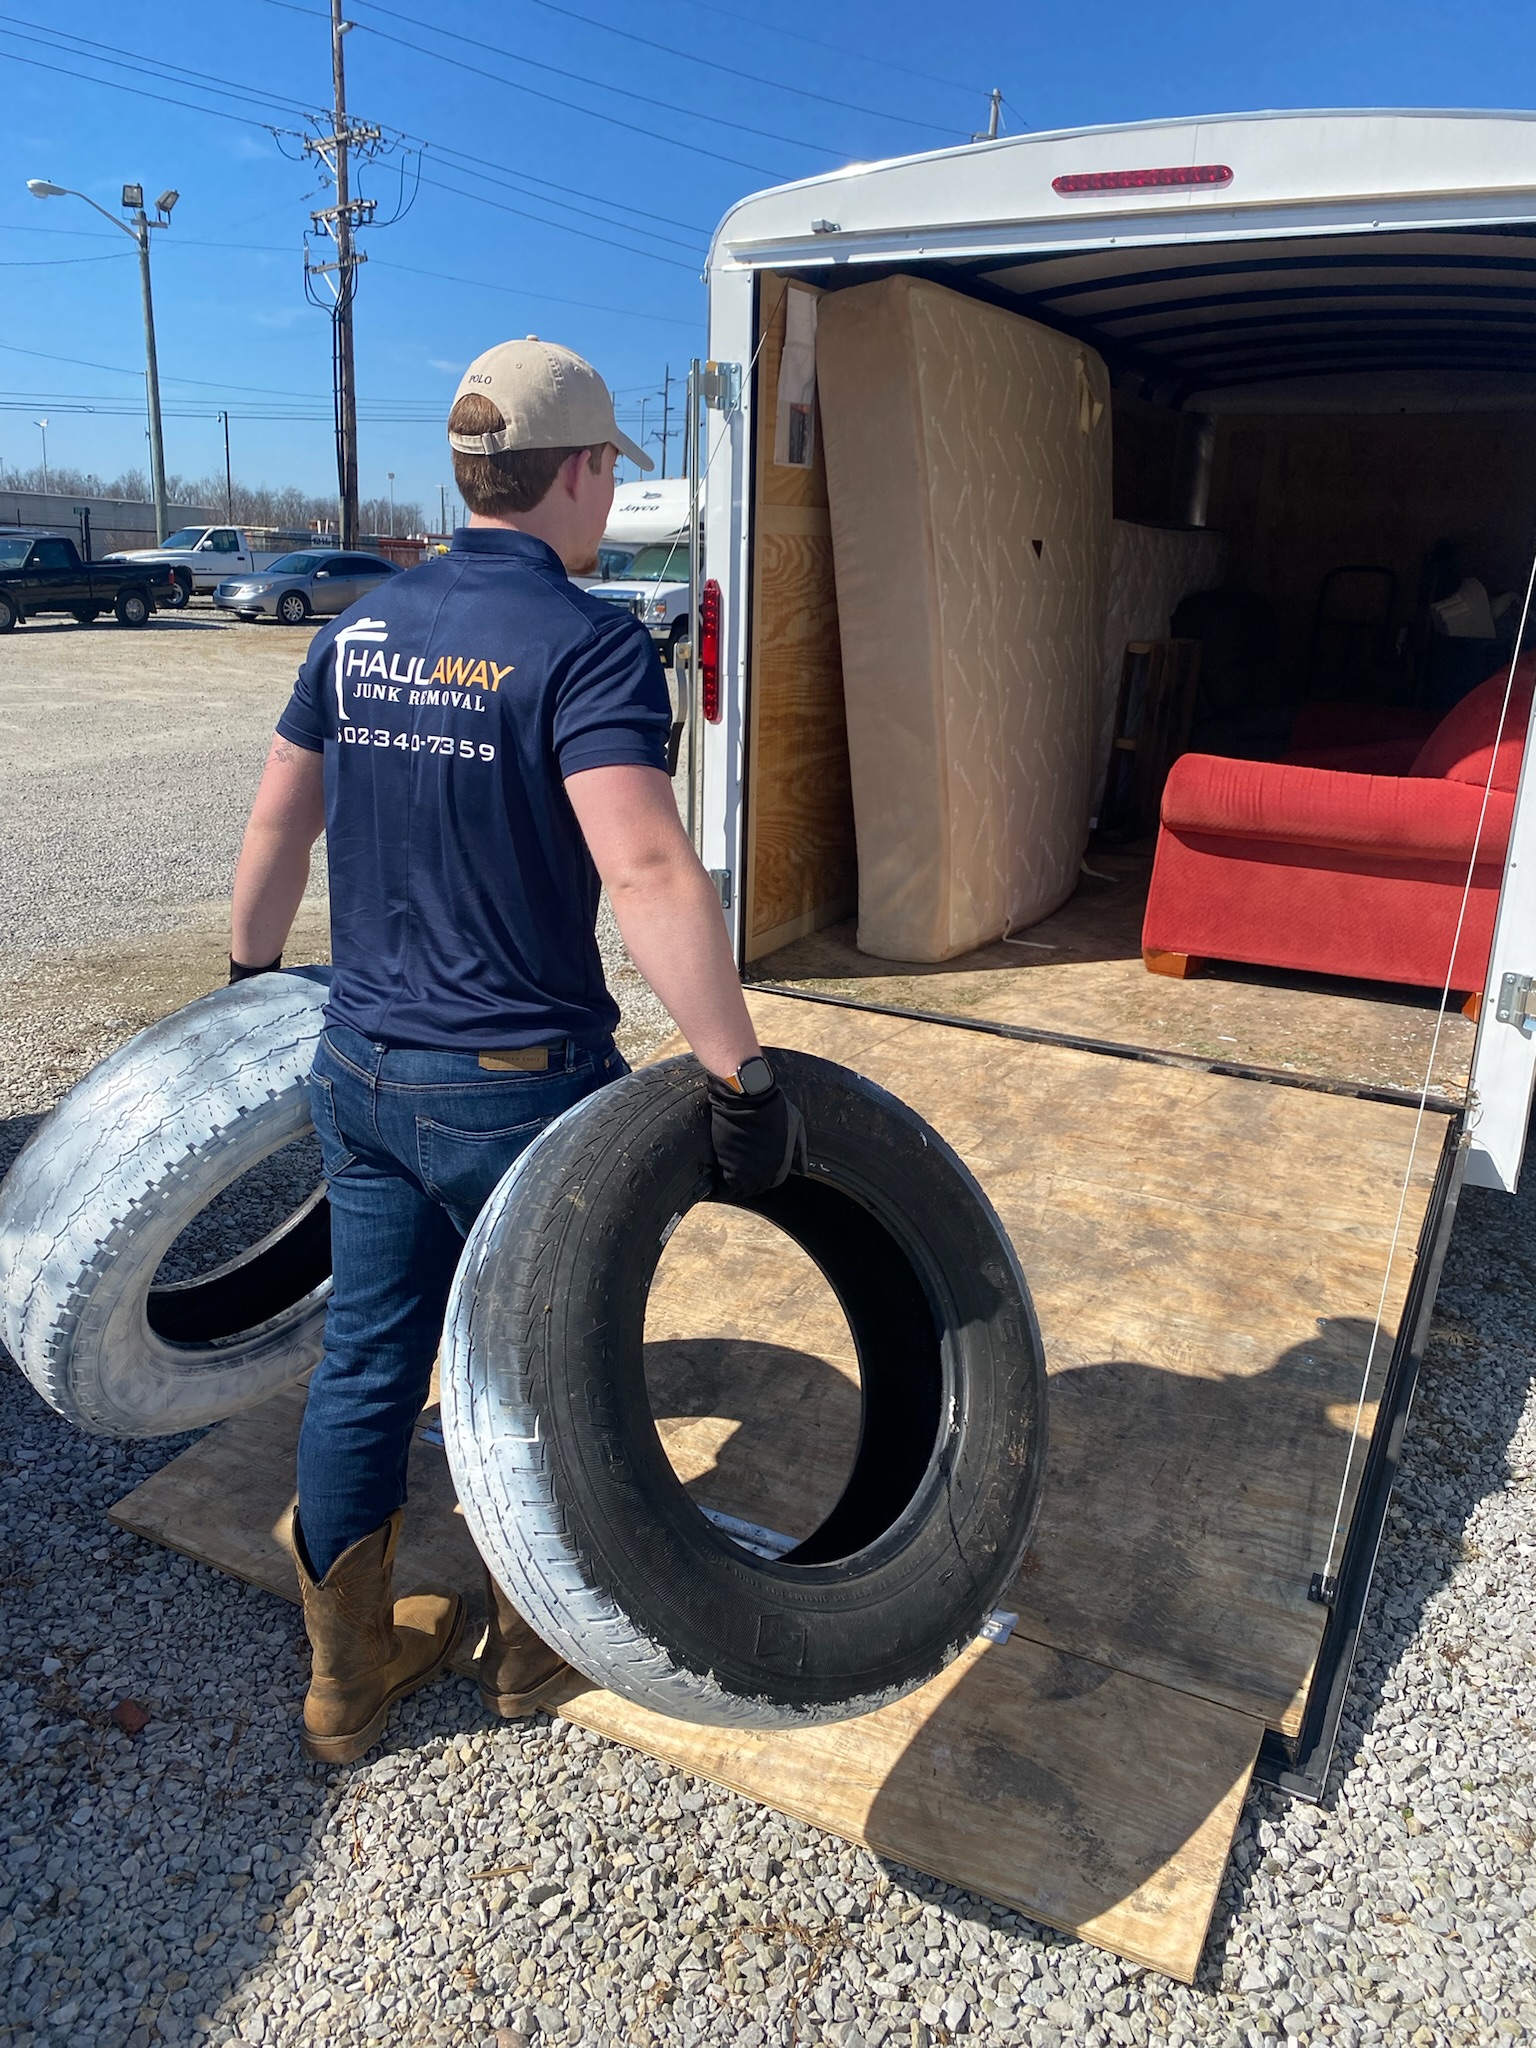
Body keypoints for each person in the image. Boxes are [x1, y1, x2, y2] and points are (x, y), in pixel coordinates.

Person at [228, 338, 804, 1764]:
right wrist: (739, 1073)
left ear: (473, 473)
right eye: (612, 470)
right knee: (539, 1371)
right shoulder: (590, 642)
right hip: (517, 1091)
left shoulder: (356, 631)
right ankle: (530, 1651)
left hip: (359, 1065)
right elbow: (651, 869)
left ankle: (344, 1683)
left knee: (369, 1357)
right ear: (591, 471)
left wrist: (250, 982)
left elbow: (275, 828)